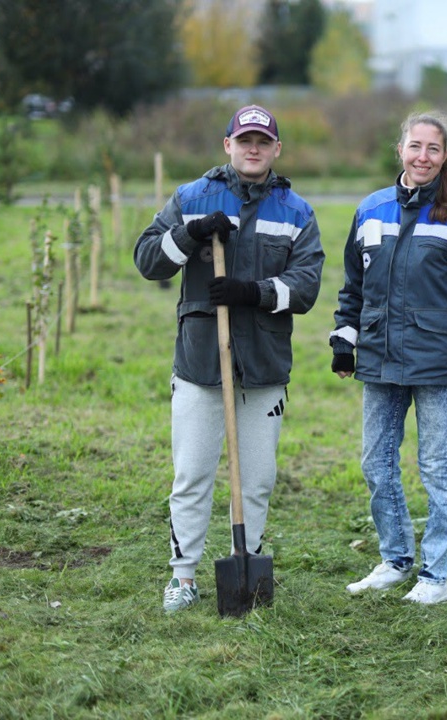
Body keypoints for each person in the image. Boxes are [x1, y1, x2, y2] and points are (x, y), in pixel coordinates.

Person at [134, 104, 325, 612]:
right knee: (193, 474)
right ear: (228, 145)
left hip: (263, 367)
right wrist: (189, 235)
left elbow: (306, 288)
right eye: (245, 140)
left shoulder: (296, 212)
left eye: (263, 141)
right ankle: (183, 575)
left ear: (276, 149)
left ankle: (249, 560)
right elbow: (148, 262)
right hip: (200, 363)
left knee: (258, 478)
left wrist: (252, 292)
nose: (253, 148)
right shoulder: (191, 198)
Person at [330, 111, 447, 605]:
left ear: (444, 156)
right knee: (376, 463)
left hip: (437, 361)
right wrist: (345, 338)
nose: (423, 156)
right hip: (380, 355)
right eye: (415, 146)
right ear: (400, 149)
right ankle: (395, 559)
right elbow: (352, 286)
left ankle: (435, 576)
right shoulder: (370, 209)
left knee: (436, 467)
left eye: (433, 149)